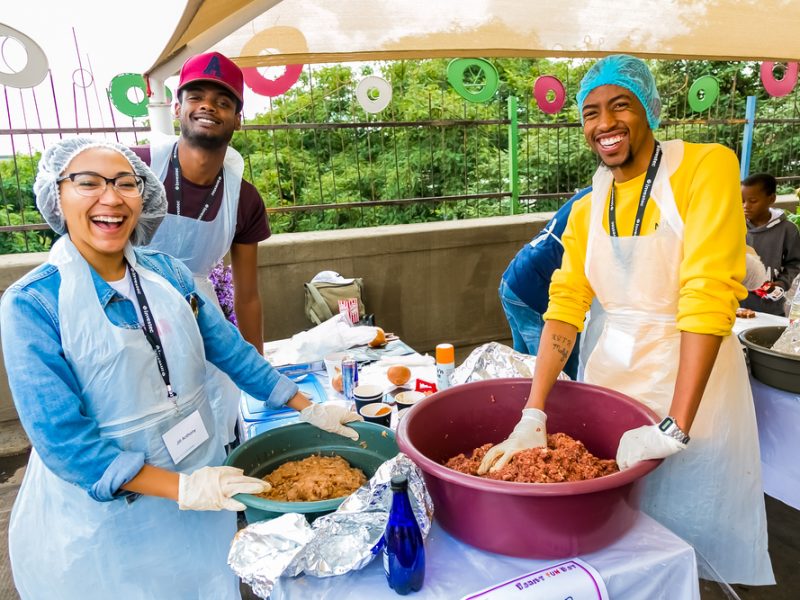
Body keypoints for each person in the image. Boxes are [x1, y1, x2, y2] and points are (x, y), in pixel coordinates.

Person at [0, 137, 361, 598]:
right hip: (110, 523)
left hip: (197, 486)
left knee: (203, 585)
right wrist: (183, 488)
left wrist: (309, 407)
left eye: (125, 184)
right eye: (88, 183)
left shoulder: (167, 274)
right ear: (58, 194)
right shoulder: (33, 305)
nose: (110, 198)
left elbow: (231, 352)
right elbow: (66, 444)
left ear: (144, 197)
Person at [479, 55, 773, 585]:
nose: (604, 123)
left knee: (685, 524)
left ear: (650, 110)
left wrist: (675, 427)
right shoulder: (589, 205)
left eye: (621, 105)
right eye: (591, 112)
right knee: (614, 533)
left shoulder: (706, 168)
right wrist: (534, 411)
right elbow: (566, 306)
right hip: (613, 377)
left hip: (692, 381)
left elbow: (708, 293)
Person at [132, 51, 270, 444]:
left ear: (237, 120)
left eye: (224, 101)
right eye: (196, 97)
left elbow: (248, 296)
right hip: (126, 314)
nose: (208, 105)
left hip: (198, 319)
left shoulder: (243, 199)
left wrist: (256, 370)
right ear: (177, 107)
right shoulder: (136, 169)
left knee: (206, 428)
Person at [498, 188, 589, 379]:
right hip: (535, 291)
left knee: (524, 369)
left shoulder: (591, 193)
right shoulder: (607, 200)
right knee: (554, 376)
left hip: (514, 281)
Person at [740, 172, 800, 316]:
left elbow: (795, 264)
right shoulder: (735, 227)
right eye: (742, 201)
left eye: (753, 201)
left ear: (771, 199)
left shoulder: (788, 230)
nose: (746, 206)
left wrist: (781, 284)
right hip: (737, 305)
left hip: (771, 308)